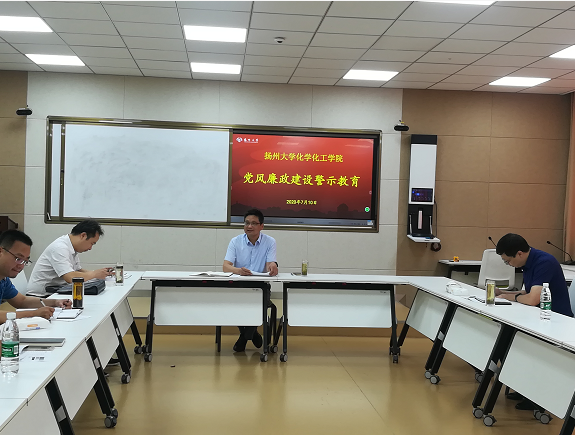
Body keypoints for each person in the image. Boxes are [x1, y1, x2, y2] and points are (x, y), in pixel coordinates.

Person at [495, 233, 573, 411]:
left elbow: (532, 299)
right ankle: (523, 387)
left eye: (508, 261)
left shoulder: (544, 262)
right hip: (540, 317)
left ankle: (535, 394)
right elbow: (527, 293)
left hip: (556, 321)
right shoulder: (528, 263)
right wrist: (503, 294)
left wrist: (510, 297)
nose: (509, 265)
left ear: (520, 253)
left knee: (515, 341)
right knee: (504, 337)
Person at [223, 209, 278, 352]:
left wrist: (273, 266)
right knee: (235, 305)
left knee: (258, 305)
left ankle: (244, 337)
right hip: (240, 285)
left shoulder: (270, 242)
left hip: (261, 286)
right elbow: (226, 266)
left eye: (254, 223)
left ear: (261, 226)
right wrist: (239, 271)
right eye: (247, 223)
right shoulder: (235, 241)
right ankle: (252, 334)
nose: (249, 226)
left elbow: (270, 264)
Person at [27, 219, 115, 297]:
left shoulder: (71, 247)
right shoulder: (59, 248)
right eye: (92, 243)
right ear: (83, 235)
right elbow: (71, 278)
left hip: (56, 292)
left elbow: (78, 271)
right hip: (41, 296)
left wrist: (102, 274)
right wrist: (94, 274)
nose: (90, 248)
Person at [0, 230, 71, 323]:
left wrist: (55, 302)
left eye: (25, 261)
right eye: (18, 258)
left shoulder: (3, 280)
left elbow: (22, 301)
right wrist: (34, 314)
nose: (21, 266)